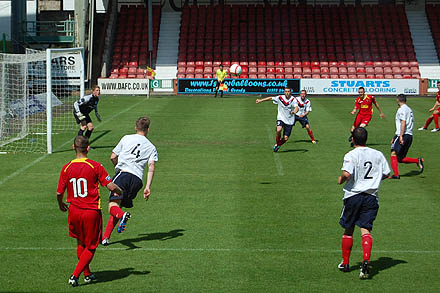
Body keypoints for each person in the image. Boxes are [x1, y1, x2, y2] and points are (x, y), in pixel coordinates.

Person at [56, 136, 122, 287]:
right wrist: (120, 190)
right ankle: (75, 275)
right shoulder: (95, 166)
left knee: (80, 242)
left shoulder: (66, 167)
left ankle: (87, 274)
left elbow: (59, 193)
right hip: (90, 211)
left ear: (73, 147)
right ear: (88, 148)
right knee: (91, 246)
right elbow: (110, 186)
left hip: (73, 211)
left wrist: (60, 204)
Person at [337, 127, 390, 279]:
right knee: (365, 229)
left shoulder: (351, 154)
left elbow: (347, 174)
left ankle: (345, 263)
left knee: (349, 228)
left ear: (353, 139)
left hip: (353, 196)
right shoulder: (378, 154)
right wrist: (374, 180)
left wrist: (340, 179)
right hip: (371, 196)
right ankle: (365, 260)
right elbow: (387, 173)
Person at [102, 116, 158, 245]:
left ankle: (122, 216)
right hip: (137, 180)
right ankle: (105, 238)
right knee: (118, 206)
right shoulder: (151, 147)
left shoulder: (126, 138)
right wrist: (148, 186)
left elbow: (113, 156)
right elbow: (151, 166)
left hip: (123, 175)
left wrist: (117, 167)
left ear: (135, 128)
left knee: (112, 206)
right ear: (148, 129)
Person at [389, 94, 424, 179]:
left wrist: (400, 136)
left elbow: (403, 122)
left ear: (398, 100)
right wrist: (395, 137)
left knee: (393, 153)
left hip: (403, 134)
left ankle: (396, 175)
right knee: (400, 158)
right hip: (409, 135)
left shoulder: (402, 109)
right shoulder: (409, 109)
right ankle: (417, 160)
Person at [256, 87, 296, 152]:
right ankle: (277, 143)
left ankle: (278, 145)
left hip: (289, 120)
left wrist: (294, 111)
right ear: (284, 92)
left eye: (288, 91)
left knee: (285, 138)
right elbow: (270, 98)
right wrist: (261, 100)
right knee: (278, 130)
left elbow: (296, 107)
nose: (287, 93)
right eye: (286, 91)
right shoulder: (280, 98)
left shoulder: (293, 99)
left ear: (290, 92)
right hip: (281, 118)